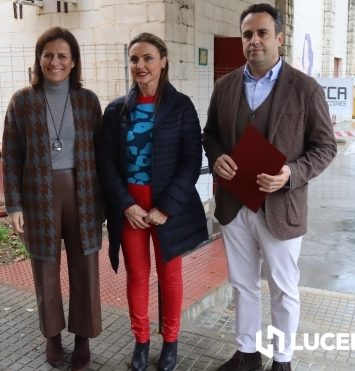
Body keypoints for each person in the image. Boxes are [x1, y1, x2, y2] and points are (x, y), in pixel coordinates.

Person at [202, 4, 337, 371]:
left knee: (283, 288)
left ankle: (282, 361)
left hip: (281, 207)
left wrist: (290, 174)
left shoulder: (305, 89)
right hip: (234, 204)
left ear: (279, 38)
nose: (254, 41)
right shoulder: (225, 87)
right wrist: (216, 157)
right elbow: (210, 134)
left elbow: (326, 147)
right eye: (248, 34)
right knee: (243, 285)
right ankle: (247, 355)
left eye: (262, 33)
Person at [96, 32, 208, 371]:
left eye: (147, 58)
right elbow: (105, 162)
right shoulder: (116, 110)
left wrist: (166, 208)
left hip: (166, 212)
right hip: (129, 211)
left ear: (163, 61)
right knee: (136, 275)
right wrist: (125, 205)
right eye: (134, 59)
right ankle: (141, 341)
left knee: (170, 275)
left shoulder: (182, 106)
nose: (140, 65)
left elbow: (192, 160)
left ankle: (170, 343)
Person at [1, 27, 103, 371]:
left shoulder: (88, 101)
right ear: (38, 59)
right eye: (48, 55)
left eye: (62, 56)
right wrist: (14, 205)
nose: (54, 62)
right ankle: (53, 336)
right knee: (46, 267)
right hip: (39, 195)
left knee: (85, 265)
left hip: (84, 191)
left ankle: (83, 338)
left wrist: (104, 203)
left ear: (73, 62)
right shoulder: (23, 101)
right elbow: (11, 156)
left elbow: (101, 154)